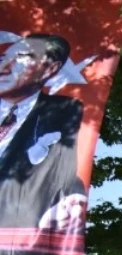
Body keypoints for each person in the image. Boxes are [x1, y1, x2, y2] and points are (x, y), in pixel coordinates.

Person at [0, 34, 86, 231]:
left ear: (50, 68)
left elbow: (63, 167)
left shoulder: (63, 112)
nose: (5, 67)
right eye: (2, 59)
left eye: (21, 58)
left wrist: (72, 199)